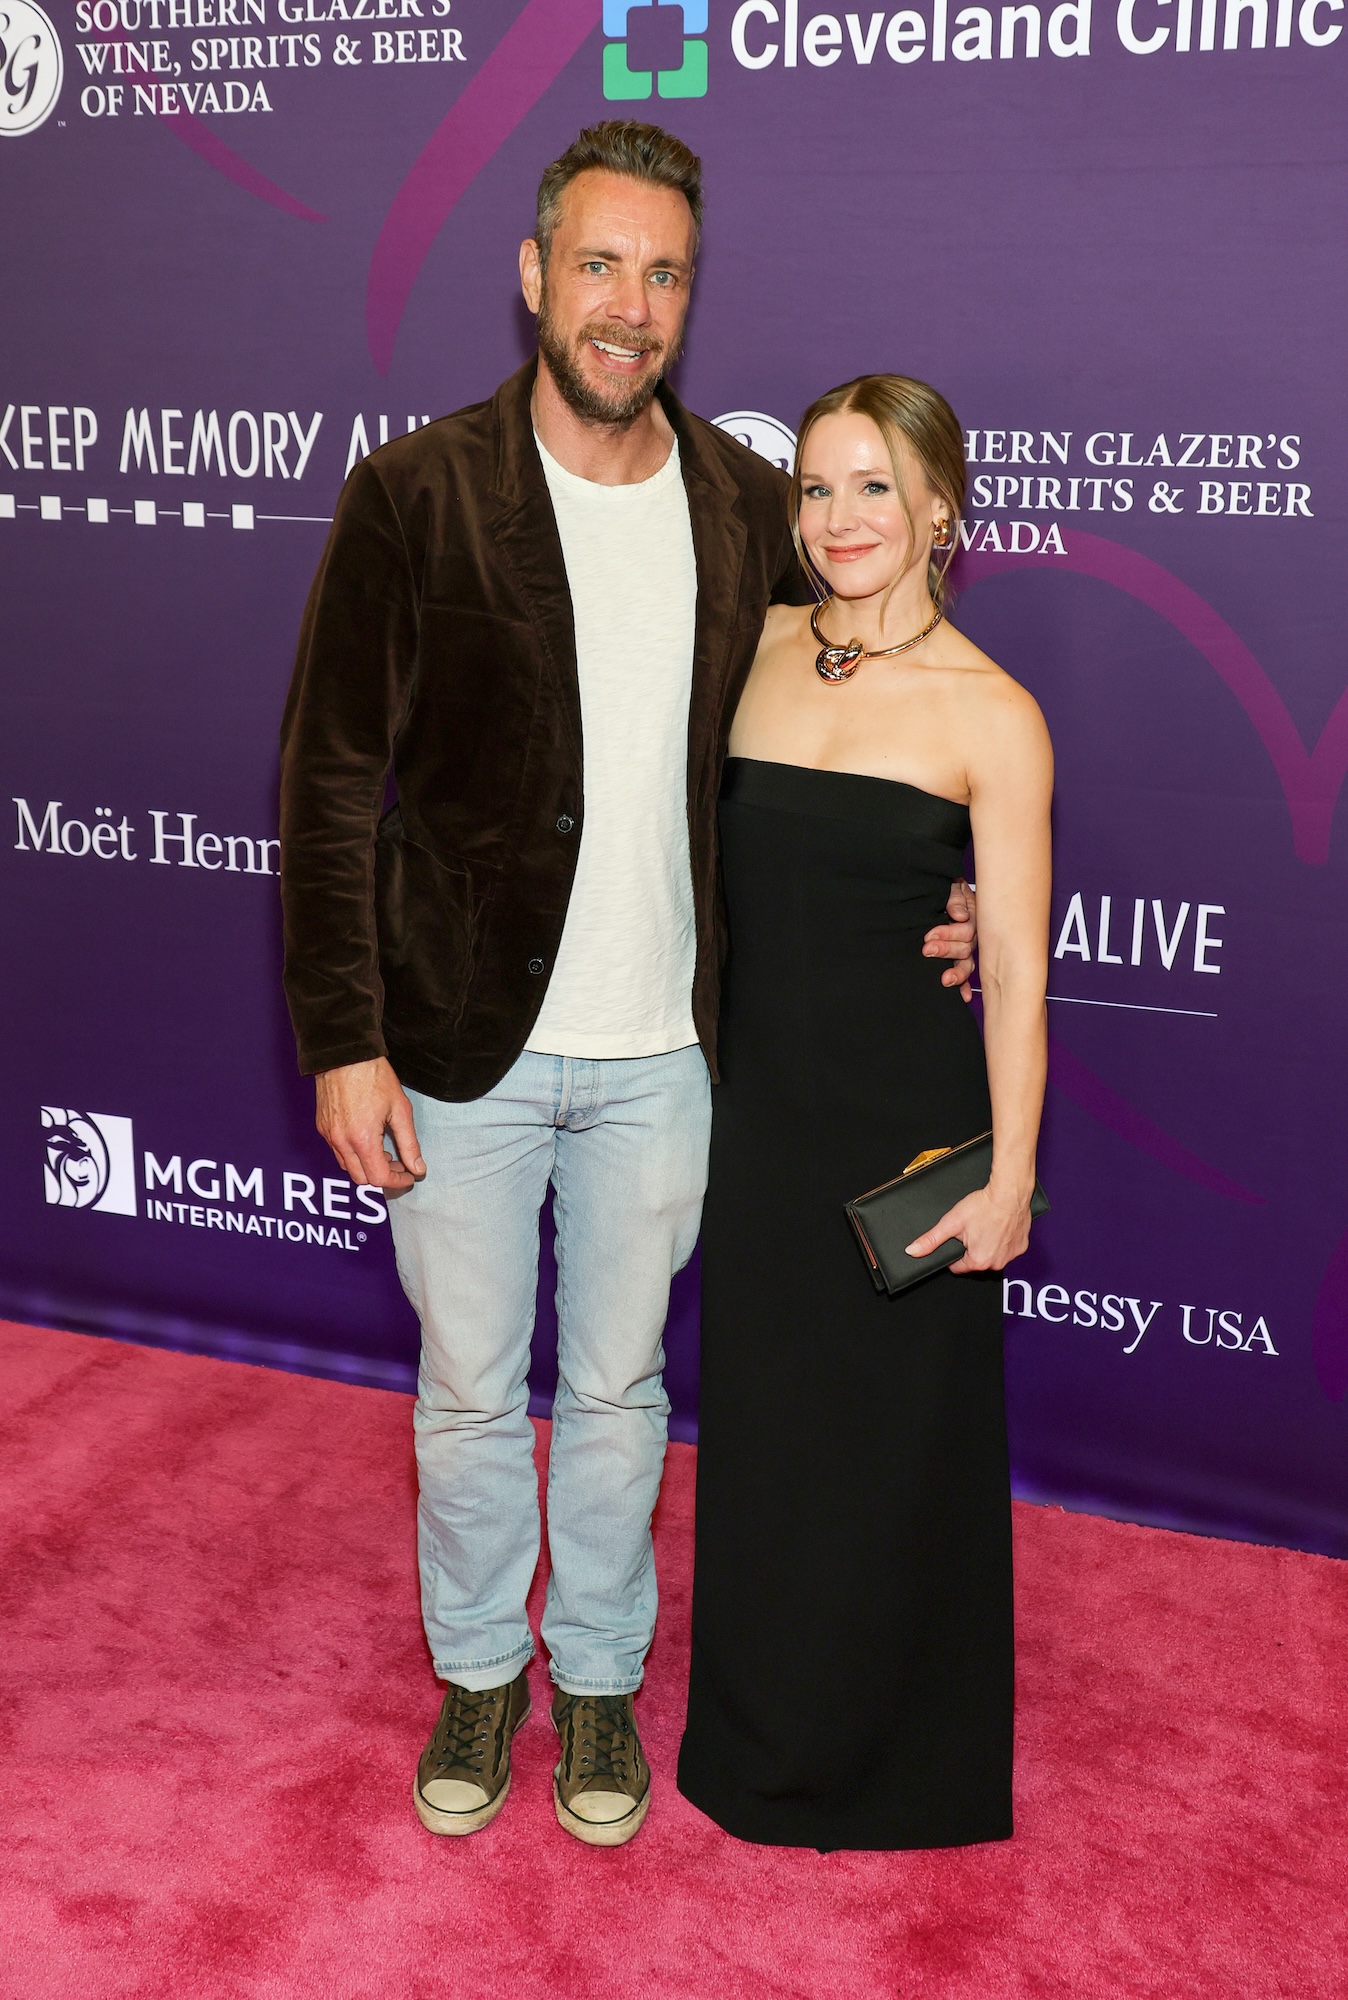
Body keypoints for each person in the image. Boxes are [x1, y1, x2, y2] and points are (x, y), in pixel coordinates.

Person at [279, 124, 976, 1848]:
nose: (629, 304)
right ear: (534, 274)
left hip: (671, 1052)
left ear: (688, 295)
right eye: (599, 263)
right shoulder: (417, 493)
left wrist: (953, 866)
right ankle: (477, 1668)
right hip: (458, 1043)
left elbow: (862, 692)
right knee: (466, 1390)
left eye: (663, 273)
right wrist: (345, 1038)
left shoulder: (742, 504)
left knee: (617, 1394)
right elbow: (328, 779)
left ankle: (593, 1681)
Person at [677, 374, 1052, 1852]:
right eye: (818, 488)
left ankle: (905, 1767)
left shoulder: (994, 714)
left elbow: (1014, 970)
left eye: (875, 487)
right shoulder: (756, 647)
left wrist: (1010, 1179)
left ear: (940, 508)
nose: (839, 518)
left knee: (898, 1445)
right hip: (755, 1118)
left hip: (905, 1125)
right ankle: (755, 1743)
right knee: (768, 1437)